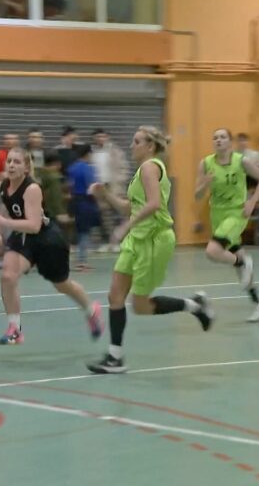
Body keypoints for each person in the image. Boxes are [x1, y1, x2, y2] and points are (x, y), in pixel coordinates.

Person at [87, 126, 214, 374]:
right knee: (115, 296)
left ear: (150, 146)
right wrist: (106, 195)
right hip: (137, 239)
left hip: (154, 240)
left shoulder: (150, 167)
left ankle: (195, 306)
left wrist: (126, 227)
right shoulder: (141, 172)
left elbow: (155, 204)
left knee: (140, 306)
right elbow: (129, 207)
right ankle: (115, 357)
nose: (131, 145)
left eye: (137, 142)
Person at [0, 147, 102, 345]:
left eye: (17, 162)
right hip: (22, 237)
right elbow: (8, 210)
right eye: (9, 161)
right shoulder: (3, 186)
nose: (12, 165)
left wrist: (3, 224)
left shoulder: (32, 189)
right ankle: (15, 329)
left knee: (62, 285)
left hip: (47, 240)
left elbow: (33, 225)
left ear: (26, 168)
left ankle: (91, 310)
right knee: (7, 275)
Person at [194, 128, 259, 322]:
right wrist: (205, 182)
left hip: (237, 213)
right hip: (217, 215)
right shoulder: (205, 163)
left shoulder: (241, 161)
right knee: (240, 268)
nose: (218, 140)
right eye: (215, 137)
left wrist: (252, 201)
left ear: (230, 142)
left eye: (223, 137)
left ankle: (243, 262)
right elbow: (197, 196)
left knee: (212, 251)